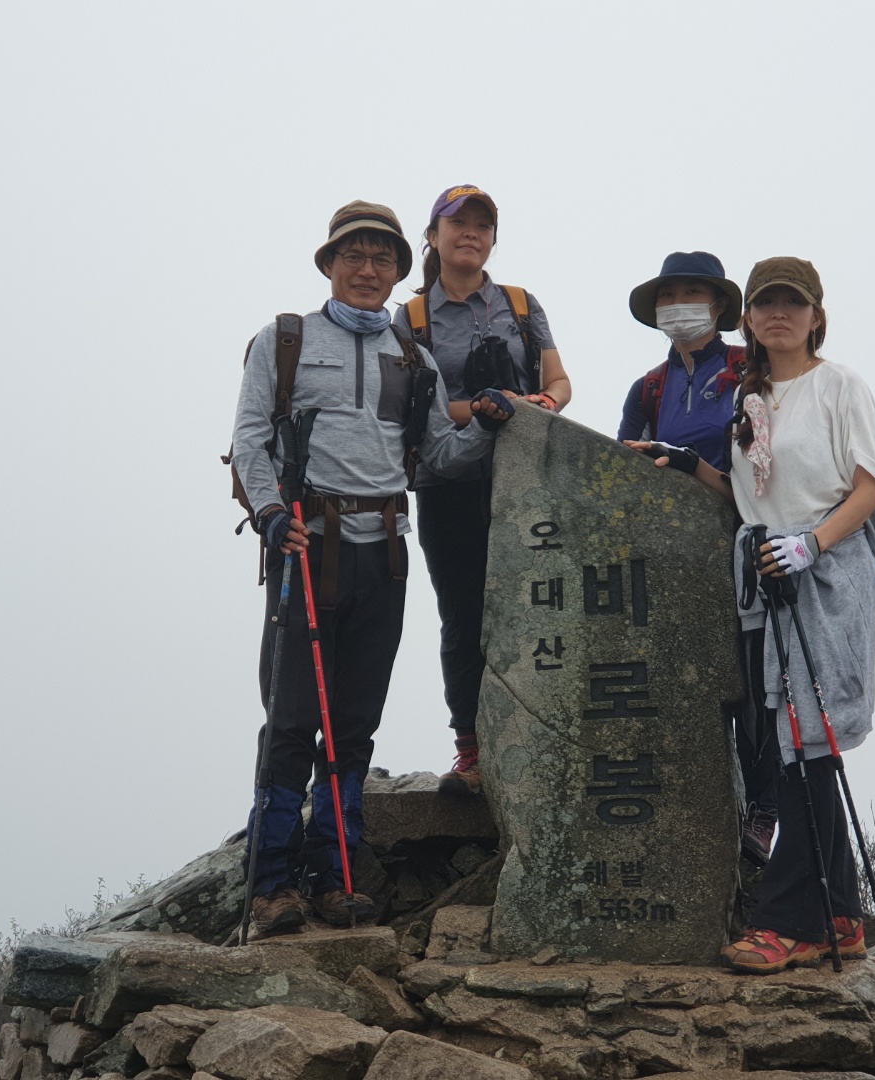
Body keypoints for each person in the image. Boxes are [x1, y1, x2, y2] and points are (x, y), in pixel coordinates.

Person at [231, 200, 514, 935]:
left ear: (398, 270)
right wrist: (271, 514)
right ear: (329, 264)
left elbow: (438, 453)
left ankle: (337, 876)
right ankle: (270, 885)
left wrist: (487, 424)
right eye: (353, 256)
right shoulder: (285, 340)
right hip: (305, 546)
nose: (367, 269)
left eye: (381, 258)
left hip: (385, 550)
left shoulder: (412, 357)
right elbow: (251, 439)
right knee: (292, 720)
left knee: (354, 724)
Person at [631, 257, 875, 972]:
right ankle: (840, 915)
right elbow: (748, 496)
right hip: (763, 571)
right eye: (766, 303)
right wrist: (691, 466)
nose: (779, 314)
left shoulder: (838, 385)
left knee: (810, 738)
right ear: (747, 317)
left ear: (816, 317)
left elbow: (872, 486)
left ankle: (789, 921)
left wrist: (813, 545)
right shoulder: (751, 396)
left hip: (825, 570)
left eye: (793, 304)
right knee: (794, 741)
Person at [391, 185, 572, 796]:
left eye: (482, 224)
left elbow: (560, 382)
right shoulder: (411, 319)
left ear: (493, 238)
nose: (470, 233)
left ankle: (543, 733)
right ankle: (471, 747)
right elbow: (417, 409)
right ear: (432, 237)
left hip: (525, 479)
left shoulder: (520, 303)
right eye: (457, 222)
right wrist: (487, 409)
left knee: (537, 605)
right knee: (463, 615)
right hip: (448, 483)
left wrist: (537, 403)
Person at [618, 252, 782, 866]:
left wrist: (692, 467)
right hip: (671, 556)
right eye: (667, 295)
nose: (677, 305)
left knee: (756, 685)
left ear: (718, 305)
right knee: (684, 684)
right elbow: (624, 467)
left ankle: (763, 812)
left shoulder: (749, 371)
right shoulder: (648, 388)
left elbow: (767, 473)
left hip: (747, 551)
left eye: (691, 292)